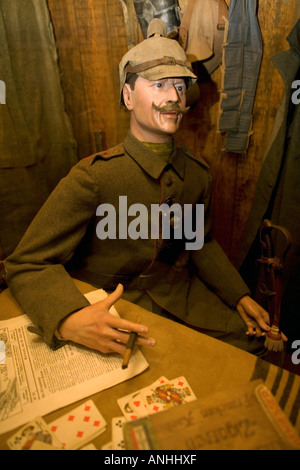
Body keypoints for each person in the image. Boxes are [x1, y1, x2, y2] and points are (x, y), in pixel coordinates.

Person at [3, 20, 271, 357]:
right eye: (158, 85)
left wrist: (238, 294)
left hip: (181, 298)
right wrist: (68, 318)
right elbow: (27, 262)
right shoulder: (94, 177)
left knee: (250, 348)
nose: (174, 96)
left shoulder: (197, 173)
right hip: (113, 307)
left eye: (179, 86)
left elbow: (198, 241)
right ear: (128, 96)